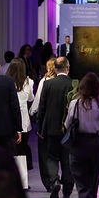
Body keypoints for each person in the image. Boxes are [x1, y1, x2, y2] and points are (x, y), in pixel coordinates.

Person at [37, 56, 75, 198]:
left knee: (51, 157)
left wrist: (40, 128)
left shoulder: (48, 84)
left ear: (56, 68)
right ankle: (67, 195)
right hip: (68, 130)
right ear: (68, 68)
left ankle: (54, 181)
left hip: (50, 128)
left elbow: (42, 107)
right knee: (67, 161)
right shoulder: (73, 84)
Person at [6, 58, 35, 189]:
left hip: (9, 120)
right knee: (22, 150)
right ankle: (23, 182)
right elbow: (31, 98)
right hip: (24, 121)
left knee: (9, 150)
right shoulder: (28, 82)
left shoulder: (6, 82)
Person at [32, 57, 57, 190]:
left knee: (44, 153)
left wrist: (31, 113)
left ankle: (49, 180)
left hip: (46, 121)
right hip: (59, 122)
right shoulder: (61, 81)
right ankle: (58, 178)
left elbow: (38, 101)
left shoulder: (44, 81)